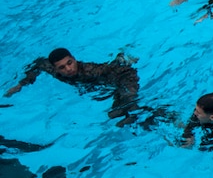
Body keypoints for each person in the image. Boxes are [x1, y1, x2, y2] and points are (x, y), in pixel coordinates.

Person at [6, 48, 141, 124]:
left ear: (74, 59)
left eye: (70, 63)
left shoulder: (89, 71)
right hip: (107, 81)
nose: (68, 69)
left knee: (125, 104)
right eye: (62, 67)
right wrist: (20, 85)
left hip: (124, 77)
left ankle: (140, 115)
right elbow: (38, 63)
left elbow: (120, 72)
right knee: (113, 115)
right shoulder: (50, 68)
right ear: (55, 69)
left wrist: (127, 89)